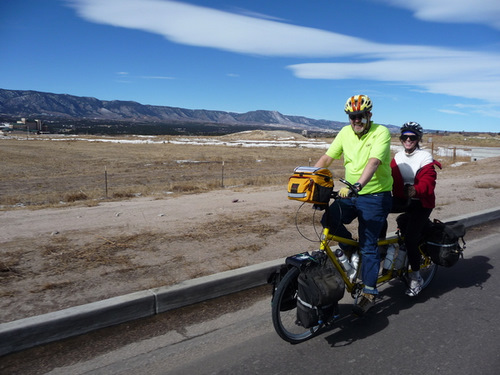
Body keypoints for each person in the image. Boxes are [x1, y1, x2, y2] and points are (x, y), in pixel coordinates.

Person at [314, 94, 393, 315]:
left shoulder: (381, 132)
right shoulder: (345, 132)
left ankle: (369, 291)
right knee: (328, 219)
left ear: (369, 115)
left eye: (359, 116)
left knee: (369, 245)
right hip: (351, 193)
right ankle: (350, 249)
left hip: (376, 195)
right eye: (352, 117)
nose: (355, 121)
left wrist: (358, 184)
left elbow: (374, 162)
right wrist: (310, 176)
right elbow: (328, 158)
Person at [391, 122, 441, 296]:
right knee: (377, 210)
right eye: (405, 136)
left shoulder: (424, 156)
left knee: (410, 238)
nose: (408, 140)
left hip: (421, 202)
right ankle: (380, 246)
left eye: (412, 137)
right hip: (403, 199)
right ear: (401, 138)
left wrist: (415, 190)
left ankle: (416, 277)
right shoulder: (397, 157)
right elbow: (385, 175)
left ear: (418, 139)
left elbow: (429, 181)